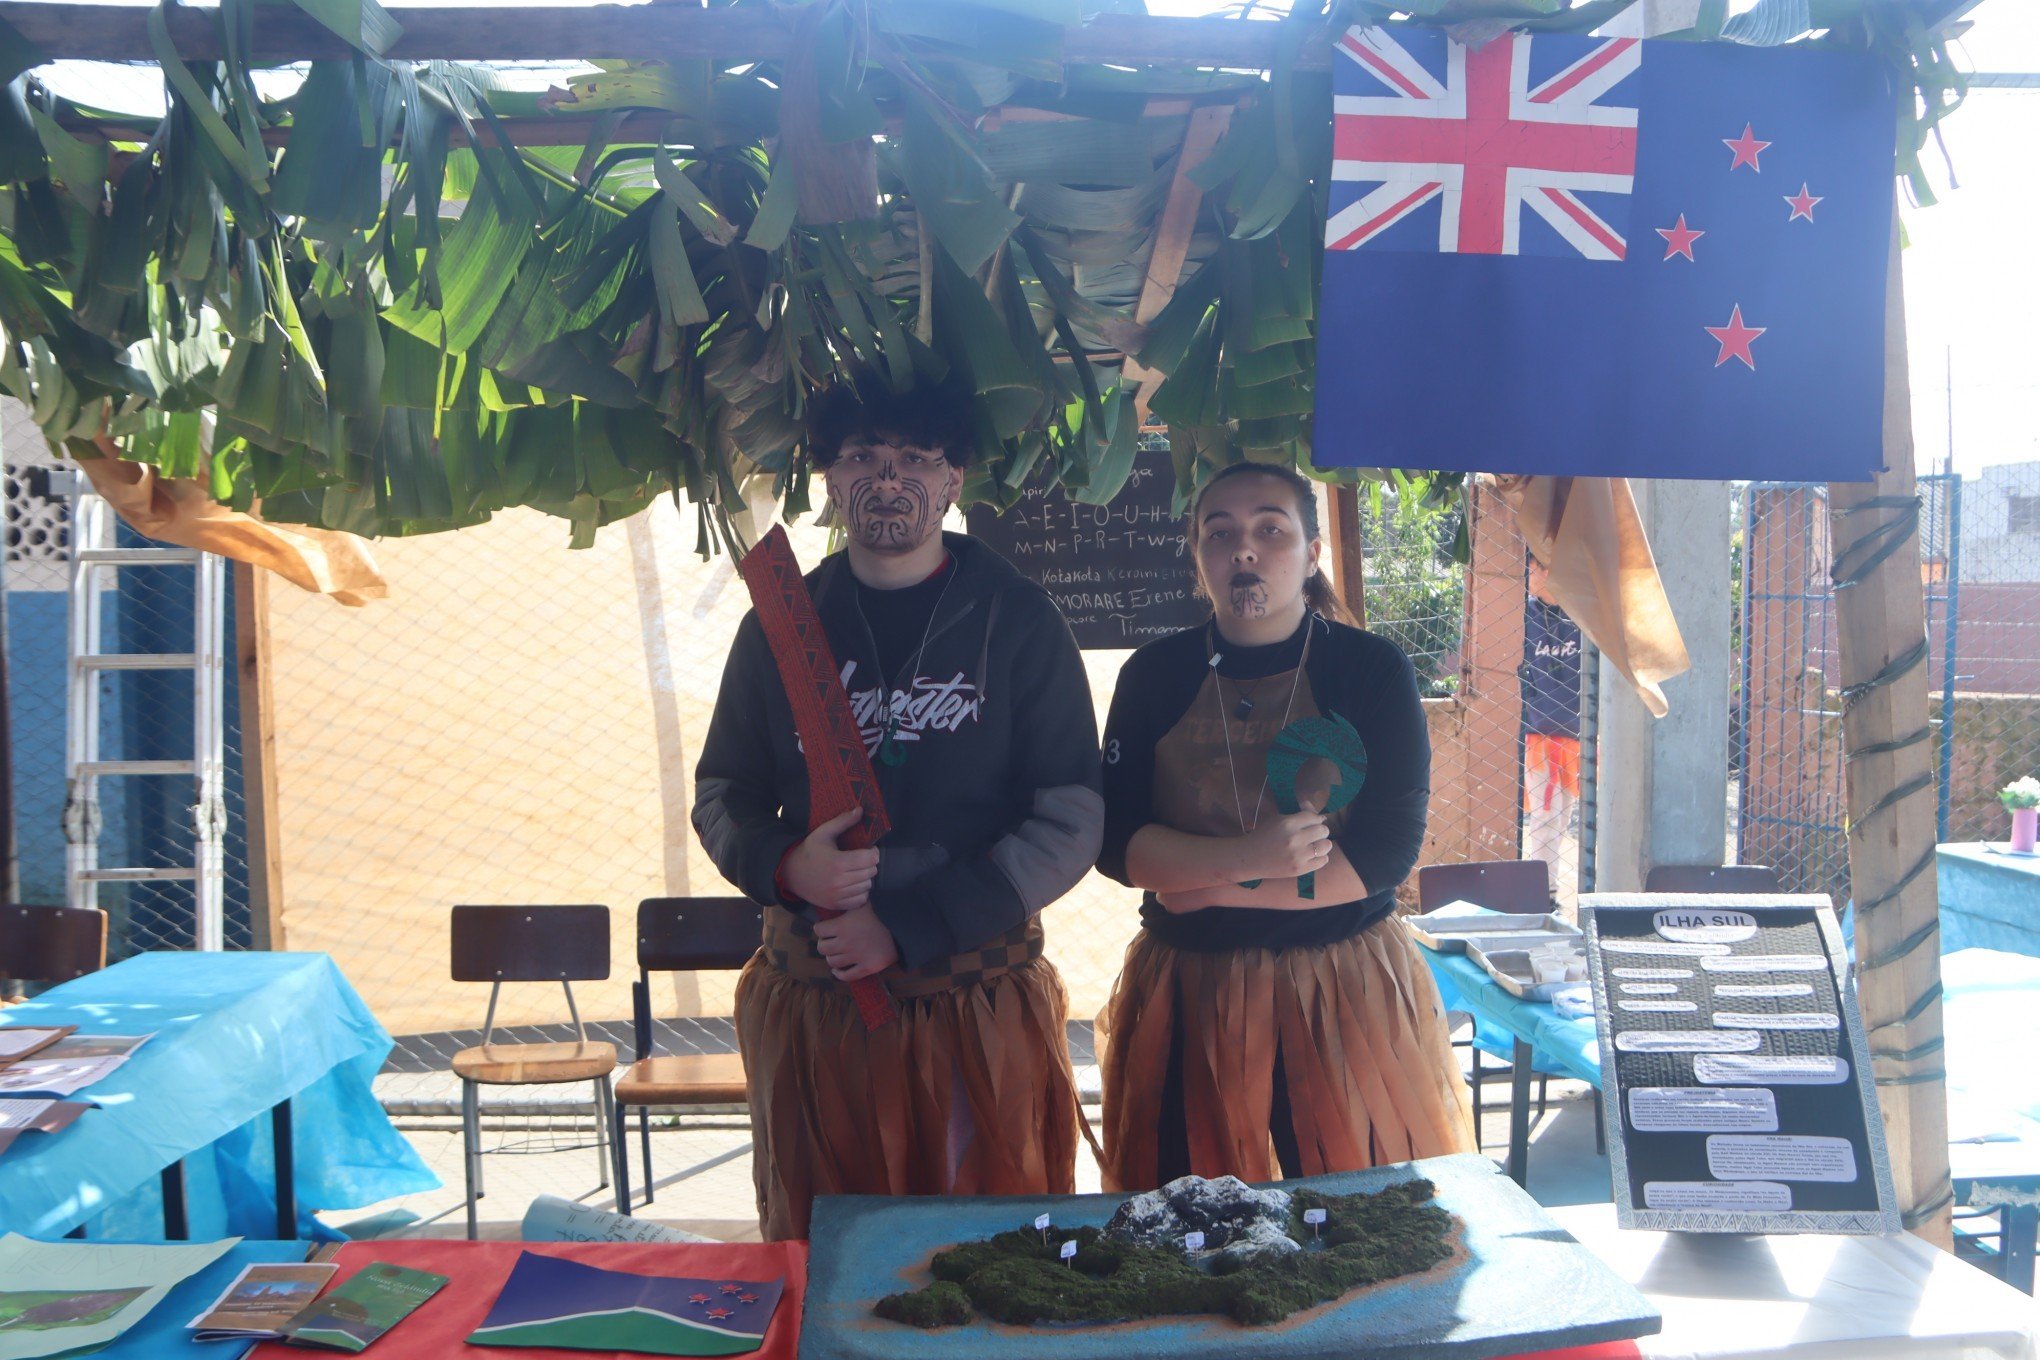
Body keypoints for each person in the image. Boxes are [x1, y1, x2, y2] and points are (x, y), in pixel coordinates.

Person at [692, 374, 1103, 1241]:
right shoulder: (780, 623)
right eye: (862, 458)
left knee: (987, 1250)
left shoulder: (1020, 621)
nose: (889, 480)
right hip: (818, 1008)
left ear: (955, 479)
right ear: (830, 480)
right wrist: (785, 865)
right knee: (825, 1249)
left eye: (916, 458)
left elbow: (1070, 819)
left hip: (976, 1007)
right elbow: (723, 792)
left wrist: (911, 927)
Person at [1094, 462, 1476, 1190]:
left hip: (1342, 990)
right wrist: (1254, 856)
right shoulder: (1153, 674)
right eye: (1221, 532)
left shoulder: (1371, 670)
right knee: (1188, 1214)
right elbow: (1116, 841)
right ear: (1197, 553)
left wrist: (1209, 885)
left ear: (1311, 553)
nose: (1245, 549)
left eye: (1271, 529)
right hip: (1187, 993)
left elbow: (1384, 855)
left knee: (1356, 1213)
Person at [1520, 555, 1584, 883]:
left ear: (1549, 571)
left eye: (1532, 568)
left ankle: (1548, 886)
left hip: (1575, 734)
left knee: (1562, 819)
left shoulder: (1582, 614)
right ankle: (1544, 892)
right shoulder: (1525, 614)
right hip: (1539, 735)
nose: (1528, 575)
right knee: (1546, 817)